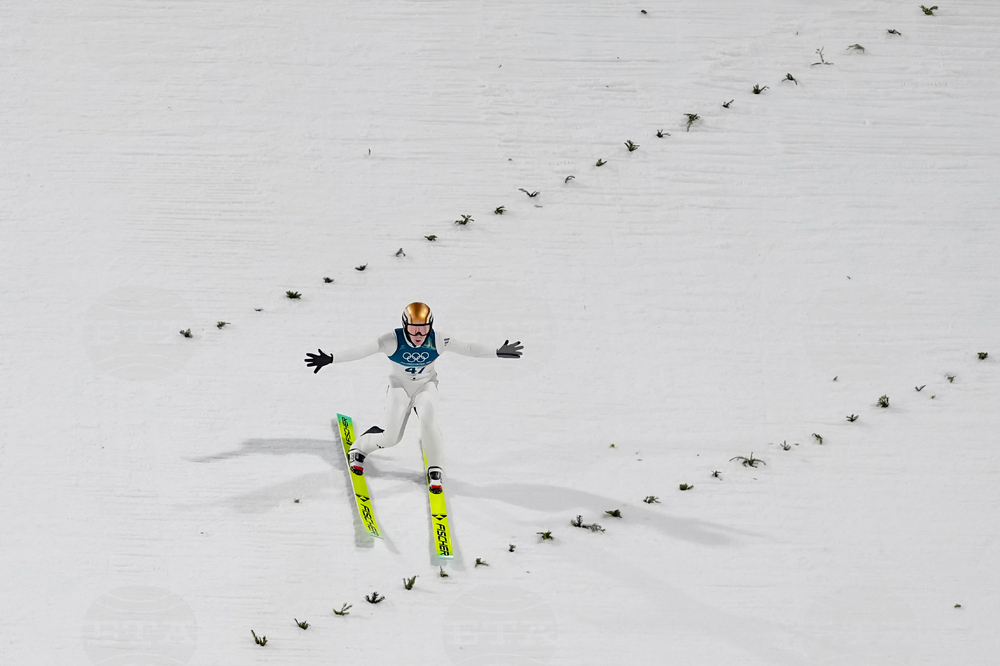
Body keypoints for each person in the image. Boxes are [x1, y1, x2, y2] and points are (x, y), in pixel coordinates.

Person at [304, 302, 523, 493]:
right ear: (404, 325)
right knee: (391, 438)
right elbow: (362, 350)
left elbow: (468, 348)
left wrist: (496, 351)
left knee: (429, 420)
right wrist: (332, 358)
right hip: (399, 387)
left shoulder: (438, 339)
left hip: (426, 386)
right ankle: (360, 447)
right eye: (414, 329)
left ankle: (435, 468)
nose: (419, 335)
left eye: (423, 329)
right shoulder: (390, 339)